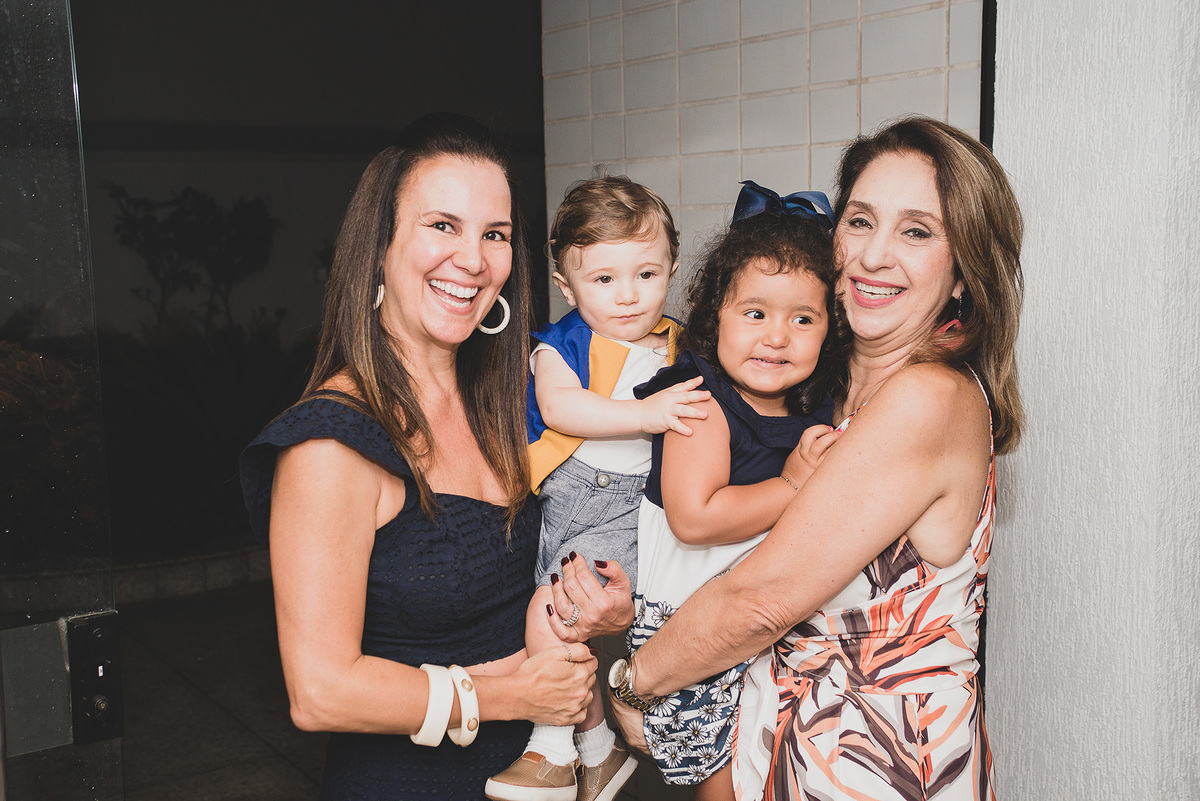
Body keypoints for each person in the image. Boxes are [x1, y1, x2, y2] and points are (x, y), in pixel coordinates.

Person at [602, 116, 1024, 801]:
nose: (873, 255)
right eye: (860, 221)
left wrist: (633, 684)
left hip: (876, 768)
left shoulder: (929, 398)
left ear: (962, 274)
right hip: (771, 750)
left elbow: (760, 602)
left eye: (917, 232)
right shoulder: (816, 390)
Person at [240, 113, 599, 801]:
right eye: (442, 225)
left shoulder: (514, 406)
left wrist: (592, 607)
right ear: (380, 247)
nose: (472, 260)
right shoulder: (331, 442)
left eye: (494, 234)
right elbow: (319, 691)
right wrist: (513, 695)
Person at [486, 175, 709, 801]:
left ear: (671, 270)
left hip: (637, 503)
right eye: (604, 278)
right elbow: (562, 408)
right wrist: (645, 414)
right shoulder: (561, 345)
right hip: (569, 498)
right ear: (567, 286)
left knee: (556, 615)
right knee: (557, 621)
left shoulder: (684, 345)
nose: (628, 295)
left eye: (647, 273)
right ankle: (589, 748)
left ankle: (561, 749)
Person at [625, 183, 849, 801]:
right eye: (755, 313)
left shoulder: (810, 413)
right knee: (718, 778)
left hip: (763, 623)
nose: (777, 337)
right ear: (713, 316)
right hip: (685, 629)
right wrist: (792, 484)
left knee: (760, 763)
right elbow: (694, 518)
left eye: (802, 319)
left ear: (829, 332)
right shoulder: (699, 403)